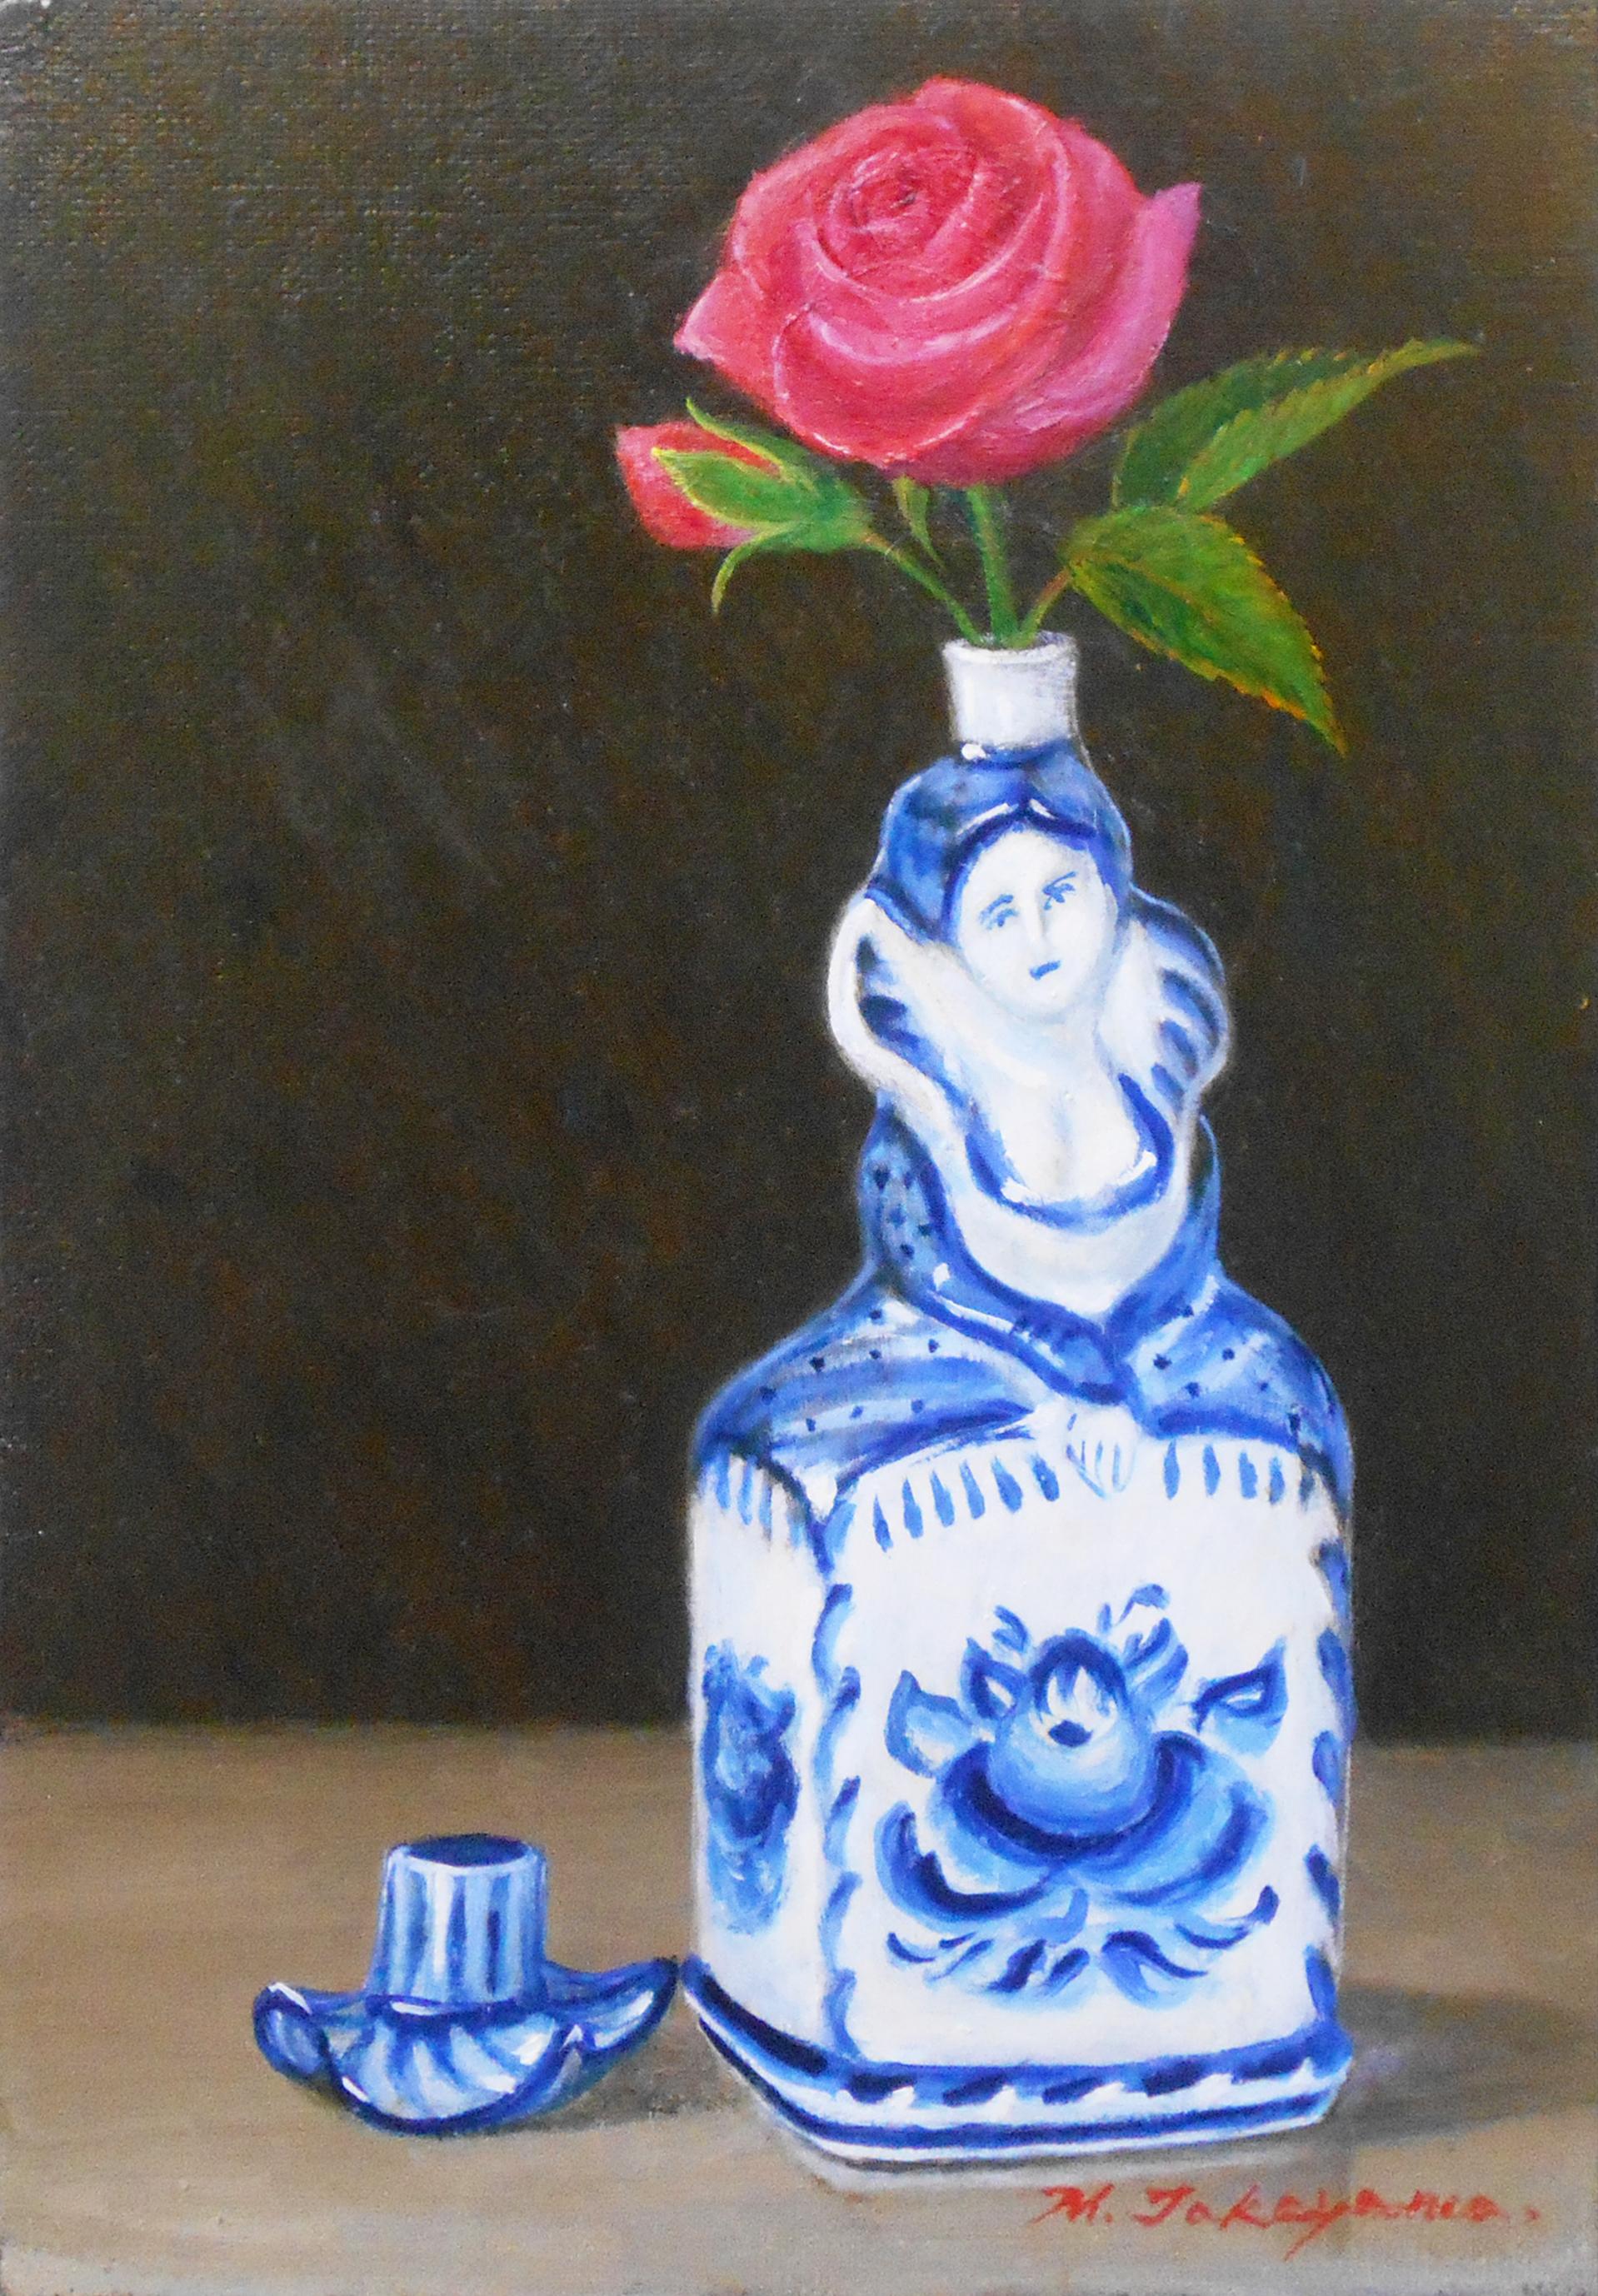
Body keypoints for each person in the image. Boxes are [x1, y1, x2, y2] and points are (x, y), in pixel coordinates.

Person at [696, 740, 1351, 1543]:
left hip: (1190, 1362)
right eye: (999, 915)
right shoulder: (791, 1453)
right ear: (936, 952)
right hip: (936, 1368)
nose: (1040, 937)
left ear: (1112, 899)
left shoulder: (1269, 1391)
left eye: (1061, 894)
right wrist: (1065, 1378)